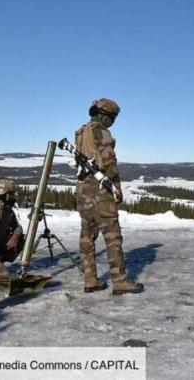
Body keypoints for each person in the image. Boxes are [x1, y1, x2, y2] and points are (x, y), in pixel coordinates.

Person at [75, 98, 143, 295]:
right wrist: (116, 188)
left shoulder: (82, 131)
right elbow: (109, 163)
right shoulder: (101, 132)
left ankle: (90, 279)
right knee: (112, 236)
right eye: (112, 118)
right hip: (101, 190)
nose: (113, 122)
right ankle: (120, 281)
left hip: (83, 189)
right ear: (105, 115)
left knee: (87, 236)